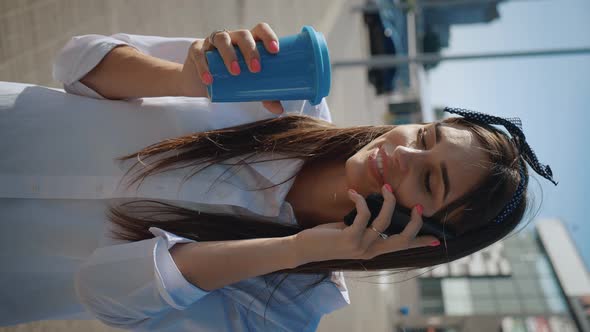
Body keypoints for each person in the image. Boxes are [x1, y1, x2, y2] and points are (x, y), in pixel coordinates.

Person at [0, 22, 556, 331]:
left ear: (426, 235)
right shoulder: (288, 96)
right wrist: (189, 75)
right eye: (426, 136)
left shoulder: (290, 306)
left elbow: (102, 290)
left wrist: (289, 251)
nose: (405, 154)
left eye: (429, 183)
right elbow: (75, 63)